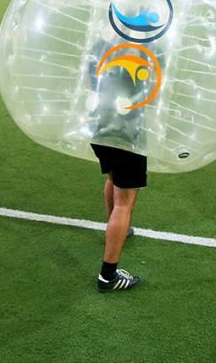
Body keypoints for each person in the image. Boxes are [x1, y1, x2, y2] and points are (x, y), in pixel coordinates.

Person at [89, 34, 148, 292]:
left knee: (113, 177)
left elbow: (90, 84)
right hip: (126, 133)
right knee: (125, 203)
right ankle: (108, 276)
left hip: (98, 127)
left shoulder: (100, 44)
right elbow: (152, 95)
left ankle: (114, 227)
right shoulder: (149, 51)